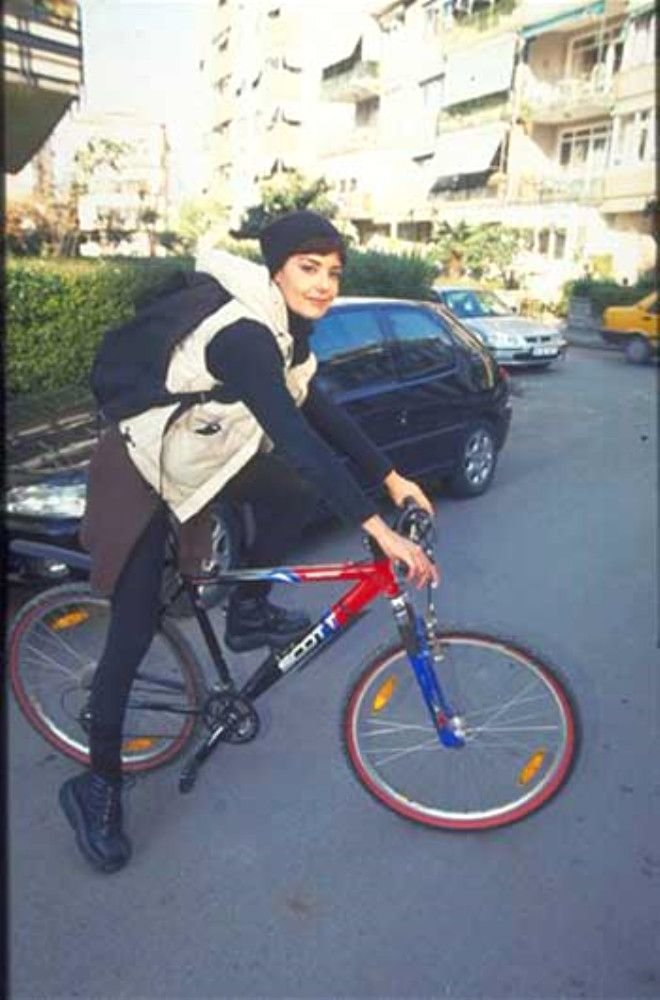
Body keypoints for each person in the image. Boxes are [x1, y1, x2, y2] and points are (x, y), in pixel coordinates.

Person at [59, 210, 438, 873]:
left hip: (196, 464)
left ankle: (248, 611)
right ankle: (97, 787)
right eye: (308, 268)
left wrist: (393, 477)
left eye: (333, 272)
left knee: (290, 493)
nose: (323, 284)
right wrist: (377, 527)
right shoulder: (242, 336)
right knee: (133, 627)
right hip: (140, 472)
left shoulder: (289, 338)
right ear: (276, 270)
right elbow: (298, 440)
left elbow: (322, 413)